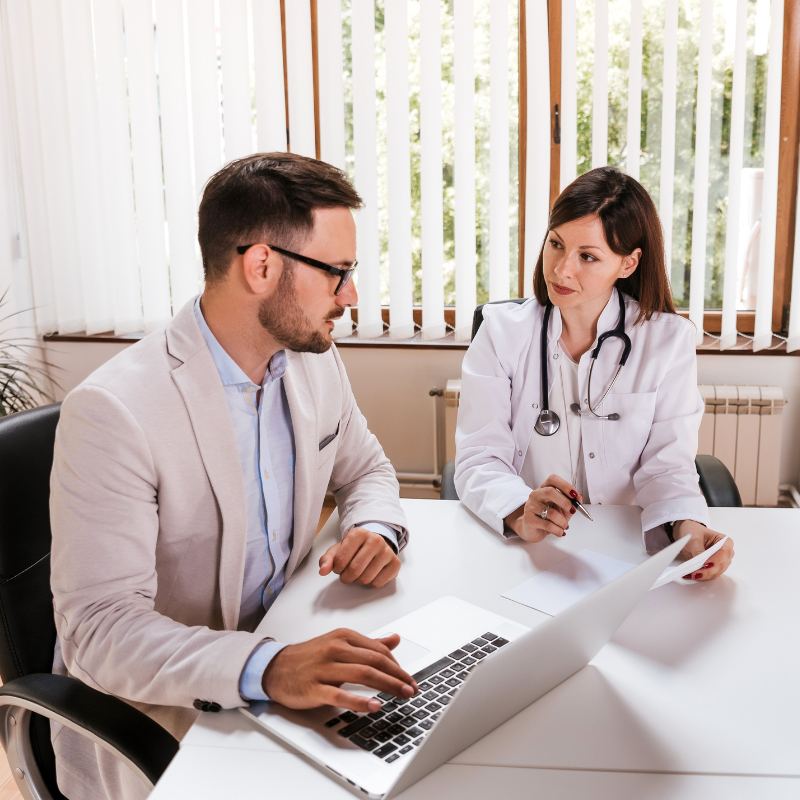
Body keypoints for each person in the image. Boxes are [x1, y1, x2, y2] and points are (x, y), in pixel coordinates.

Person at [49, 153, 418, 800]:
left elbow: (367, 468)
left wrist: (376, 530)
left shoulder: (312, 361)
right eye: (337, 272)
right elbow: (99, 632)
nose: (350, 296)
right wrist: (268, 666)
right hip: (167, 711)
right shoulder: (114, 412)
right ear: (262, 266)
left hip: (291, 647)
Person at [455, 166, 734, 578]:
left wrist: (685, 528)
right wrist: (518, 510)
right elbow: (480, 457)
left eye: (587, 256)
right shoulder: (501, 333)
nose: (561, 269)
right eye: (556, 244)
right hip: (530, 551)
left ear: (628, 263)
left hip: (628, 551)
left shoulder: (667, 341)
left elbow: (668, 465)